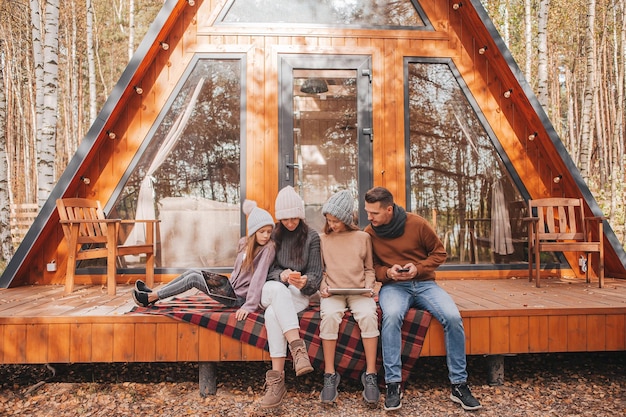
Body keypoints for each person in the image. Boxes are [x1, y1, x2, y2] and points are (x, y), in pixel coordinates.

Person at [363, 186, 481, 411]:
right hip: (394, 287)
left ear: (389, 209)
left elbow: (439, 253)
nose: (369, 217)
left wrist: (418, 268)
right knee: (392, 317)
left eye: (374, 213)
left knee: (452, 317)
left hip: (425, 284)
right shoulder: (370, 233)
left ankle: (459, 384)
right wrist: (387, 272)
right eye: (367, 211)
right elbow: (372, 266)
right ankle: (393, 384)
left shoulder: (416, 224)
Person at [131, 200, 276, 322]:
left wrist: (249, 306)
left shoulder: (268, 249)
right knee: (193, 271)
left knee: (194, 278)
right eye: (262, 232)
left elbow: (259, 278)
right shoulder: (245, 243)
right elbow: (238, 271)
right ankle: (154, 294)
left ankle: (151, 297)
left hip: (239, 298)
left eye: (269, 232)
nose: (266, 236)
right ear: (253, 232)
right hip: (229, 288)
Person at [259, 185, 323, 409]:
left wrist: (306, 282)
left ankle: (276, 382)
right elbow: (264, 271)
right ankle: (298, 349)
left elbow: (316, 275)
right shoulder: (273, 235)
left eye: (294, 218)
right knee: (277, 290)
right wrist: (282, 275)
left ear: (301, 214)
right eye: (285, 219)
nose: (290, 223)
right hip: (270, 288)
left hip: (297, 293)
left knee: (271, 313)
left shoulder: (312, 237)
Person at [318, 190, 380, 406]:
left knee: (368, 315)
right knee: (329, 317)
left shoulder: (363, 238)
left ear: (346, 219)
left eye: (335, 221)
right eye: (329, 220)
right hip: (333, 292)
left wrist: (369, 286)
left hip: (358, 292)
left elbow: (370, 269)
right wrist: (323, 288)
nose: (332, 224)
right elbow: (321, 272)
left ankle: (370, 374)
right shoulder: (323, 239)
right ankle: (329, 375)